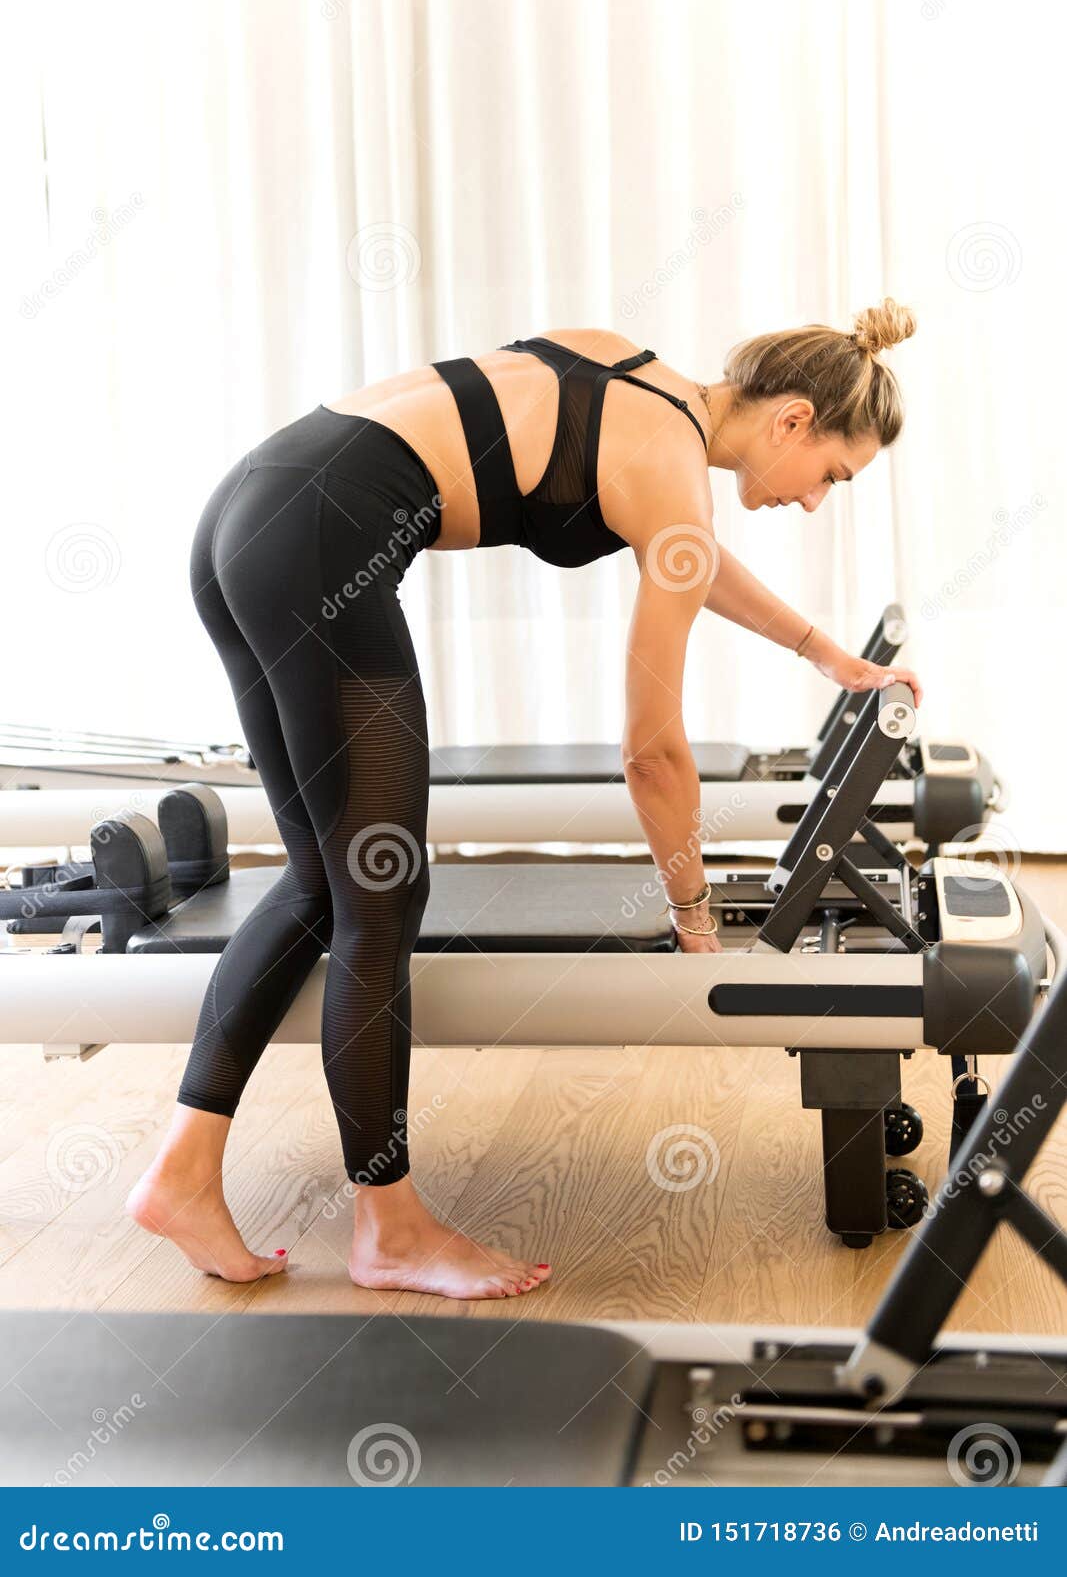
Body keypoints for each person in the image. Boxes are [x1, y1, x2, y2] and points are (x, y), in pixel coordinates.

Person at [127, 298, 923, 1298]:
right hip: (321, 545)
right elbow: (652, 751)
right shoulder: (673, 479)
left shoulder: (630, 370)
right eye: (830, 478)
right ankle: (390, 1227)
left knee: (323, 884)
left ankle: (183, 1174)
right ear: (792, 421)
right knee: (381, 896)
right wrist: (688, 909)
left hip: (253, 509)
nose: (814, 502)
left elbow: (682, 548)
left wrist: (821, 651)